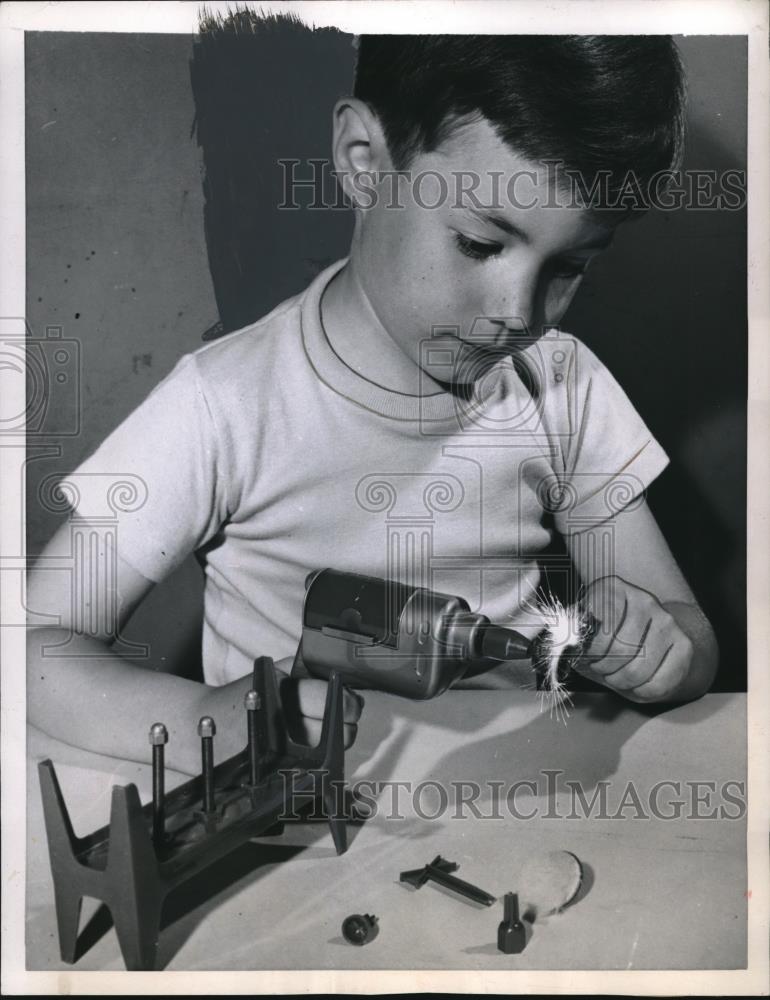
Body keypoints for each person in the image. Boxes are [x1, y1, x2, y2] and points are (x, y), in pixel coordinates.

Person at [27, 34, 718, 777]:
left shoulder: (562, 384)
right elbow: (35, 646)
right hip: (306, 835)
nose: (518, 314)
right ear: (364, 160)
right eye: (481, 243)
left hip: (518, 804)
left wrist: (661, 652)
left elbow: (688, 639)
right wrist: (204, 720)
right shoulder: (221, 406)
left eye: (569, 266)